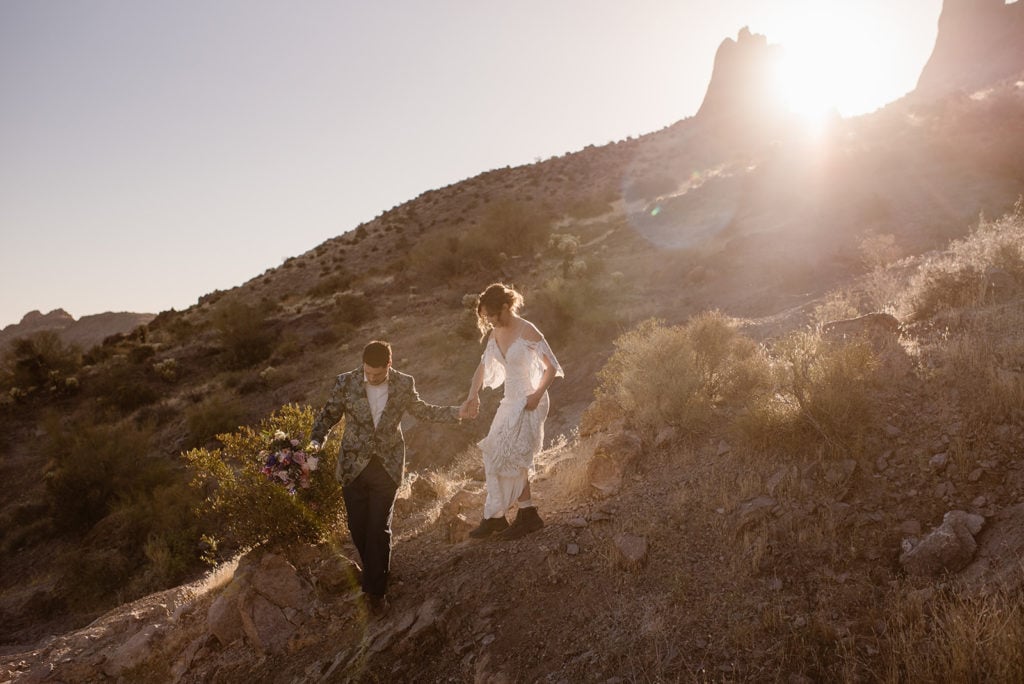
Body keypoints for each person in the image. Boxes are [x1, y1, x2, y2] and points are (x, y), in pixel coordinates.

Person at [308, 340, 464, 616]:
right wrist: (315, 443)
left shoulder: (404, 383)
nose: (372, 378)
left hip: (387, 466)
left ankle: (375, 594)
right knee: (358, 528)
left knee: (378, 527)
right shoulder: (346, 382)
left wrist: (457, 413)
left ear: (389, 365)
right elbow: (327, 416)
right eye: (368, 373)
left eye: (377, 375)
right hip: (352, 466)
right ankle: (376, 573)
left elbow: (422, 410)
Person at [461, 283, 563, 540]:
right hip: (510, 400)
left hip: (531, 399)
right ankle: (495, 517)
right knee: (494, 450)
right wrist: (472, 396)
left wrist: (536, 395)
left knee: (515, 454)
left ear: (505, 307)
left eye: (492, 315)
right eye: (485, 317)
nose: (489, 321)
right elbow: (482, 368)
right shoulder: (495, 334)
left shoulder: (528, 330)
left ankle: (528, 516)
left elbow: (552, 367)